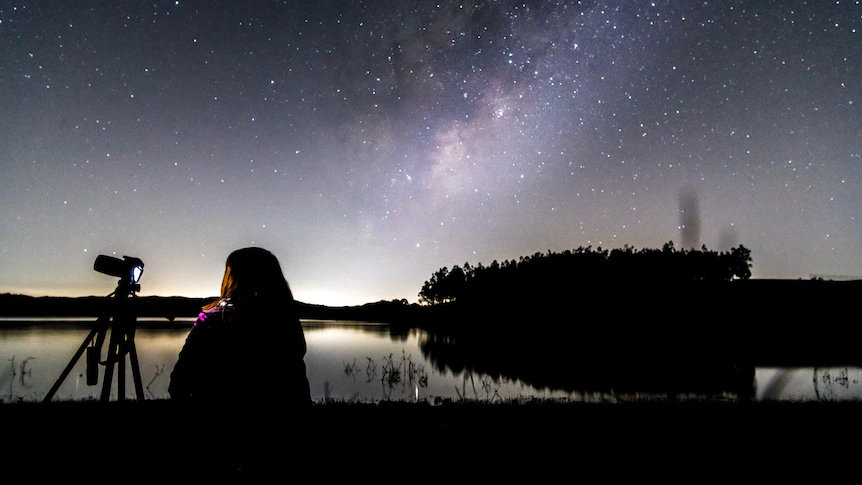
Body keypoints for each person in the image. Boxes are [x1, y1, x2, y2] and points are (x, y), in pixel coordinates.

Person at [169, 247, 311, 408]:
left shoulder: (211, 320)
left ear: (233, 277)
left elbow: (179, 382)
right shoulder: (285, 320)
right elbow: (297, 384)